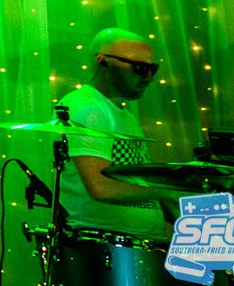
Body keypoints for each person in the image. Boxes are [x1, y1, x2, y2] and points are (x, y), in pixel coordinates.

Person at [54, 27, 174, 239]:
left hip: (133, 242)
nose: (149, 77)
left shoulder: (125, 116)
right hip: (101, 242)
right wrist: (167, 193)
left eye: (152, 69)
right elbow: (100, 187)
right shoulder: (86, 107)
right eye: (139, 67)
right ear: (103, 62)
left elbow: (135, 183)